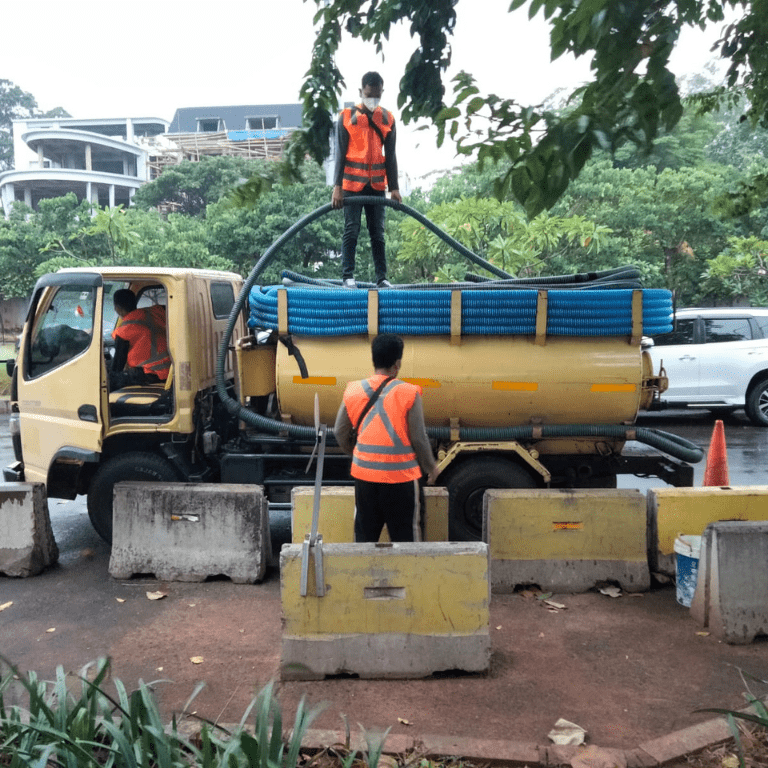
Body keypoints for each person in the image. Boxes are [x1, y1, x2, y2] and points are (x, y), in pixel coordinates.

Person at [335, 333, 440, 542]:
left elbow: (339, 431)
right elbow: (419, 438)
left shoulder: (353, 390)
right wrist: (431, 468)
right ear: (398, 363)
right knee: (407, 543)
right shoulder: (409, 393)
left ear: (374, 359)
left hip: (364, 478)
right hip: (402, 480)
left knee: (364, 541)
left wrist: (357, 454)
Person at [331, 71, 402, 289]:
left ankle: (382, 278)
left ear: (382, 92)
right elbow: (340, 154)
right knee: (351, 229)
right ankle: (347, 277)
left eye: (377, 95)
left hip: (377, 186)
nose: (373, 98)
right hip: (352, 185)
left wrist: (395, 188)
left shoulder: (387, 118)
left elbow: (390, 156)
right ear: (361, 91)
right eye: (370, 94)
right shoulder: (346, 117)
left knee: (377, 233)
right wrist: (337, 187)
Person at [109, 289, 171, 390]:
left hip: (152, 374)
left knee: (111, 379)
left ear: (117, 308)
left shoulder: (123, 332)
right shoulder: (156, 311)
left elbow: (117, 367)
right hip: (171, 369)